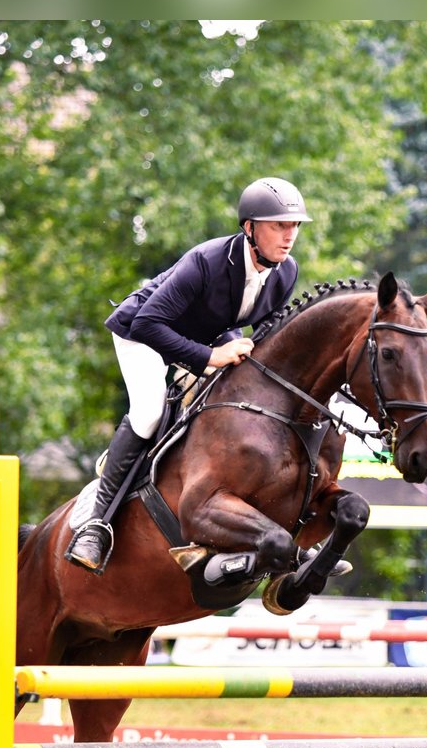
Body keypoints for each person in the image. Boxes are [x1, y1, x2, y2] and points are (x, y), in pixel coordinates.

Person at [65, 177, 312, 573]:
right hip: (142, 332)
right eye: (278, 226)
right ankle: (96, 524)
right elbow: (149, 323)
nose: (288, 237)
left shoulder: (286, 273)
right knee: (149, 412)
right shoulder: (208, 260)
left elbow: (262, 333)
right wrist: (211, 356)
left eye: (294, 227)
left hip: (204, 335)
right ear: (249, 228)